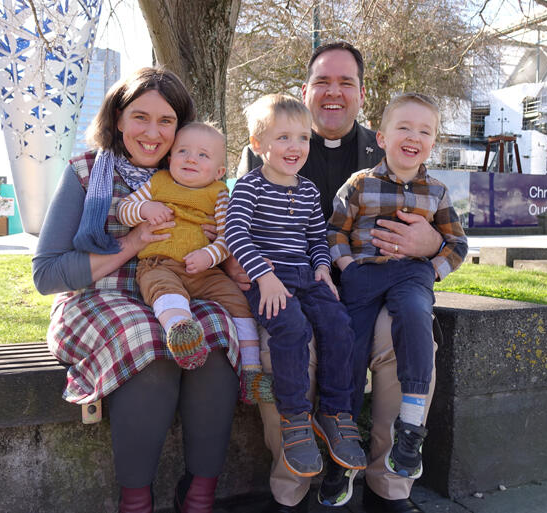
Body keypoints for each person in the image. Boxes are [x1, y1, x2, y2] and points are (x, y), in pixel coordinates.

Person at [230, 42, 444, 513]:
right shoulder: (269, 149)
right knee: (290, 345)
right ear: (305, 91)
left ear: (361, 94)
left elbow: (438, 224)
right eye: (322, 81)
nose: (333, 92)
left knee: (407, 340)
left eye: (345, 82)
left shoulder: (388, 143)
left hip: (376, 288)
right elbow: (239, 230)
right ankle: (293, 489)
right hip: (292, 287)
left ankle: (389, 487)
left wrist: (430, 245)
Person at [32, 68, 240, 513]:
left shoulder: (192, 172)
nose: (152, 132)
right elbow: (46, 274)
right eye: (140, 117)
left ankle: (199, 496)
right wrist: (133, 242)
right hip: (98, 301)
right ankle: (136, 503)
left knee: (219, 335)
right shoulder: (86, 172)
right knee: (148, 344)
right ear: (118, 119)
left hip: (178, 293)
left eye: (166, 121)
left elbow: (229, 239)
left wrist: (221, 242)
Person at [225, 94, 367, 477]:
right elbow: (235, 234)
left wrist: (322, 267)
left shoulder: (306, 190)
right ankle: (295, 418)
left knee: (339, 325)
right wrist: (264, 277)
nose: (295, 147)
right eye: (283, 137)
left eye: (303, 138)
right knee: (292, 328)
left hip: (307, 277)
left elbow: (316, 237)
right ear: (258, 145)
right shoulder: (248, 187)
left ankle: (335, 411)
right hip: (267, 281)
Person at [328, 92, 468, 480]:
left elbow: (457, 244)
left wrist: (432, 270)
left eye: (424, 130)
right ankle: (343, 442)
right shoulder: (358, 185)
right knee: (349, 344)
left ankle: (410, 428)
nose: (414, 136)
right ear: (382, 137)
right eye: (403, 127)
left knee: (416, 317)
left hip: (412, 275)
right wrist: (346, 265)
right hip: (363, 276)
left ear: (433, 143)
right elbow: (335, 231)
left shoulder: (436, 192)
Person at [115, 122, 260, 375]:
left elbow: (228, 238)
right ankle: (182, 333)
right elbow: (123, 209)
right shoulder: (159, 182)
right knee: (163, 290)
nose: (191, 159)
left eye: (203, 155)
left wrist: (208, 255)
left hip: (205, 272)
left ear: (219, 171)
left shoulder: (219, 193)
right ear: (170, 158)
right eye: (183, 151)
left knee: (239, 302)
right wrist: (144, 209)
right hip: (159, 264)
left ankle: (251, 369)